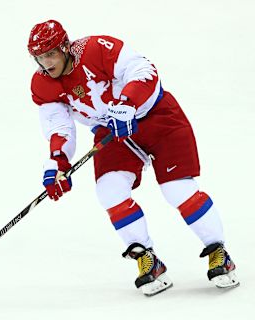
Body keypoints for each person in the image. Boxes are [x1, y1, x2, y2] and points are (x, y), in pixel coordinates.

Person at [28, 19, 239, 296]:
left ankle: (218, 251)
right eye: (39, 58)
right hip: (114, 134)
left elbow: (143, 70)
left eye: (50, 54)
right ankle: (146, 259)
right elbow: (59, 126)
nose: (46, 63)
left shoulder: (96, 48)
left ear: (65, 47)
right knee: (109, 191)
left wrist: (127, 103)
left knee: (177, 189)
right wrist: (58, 162)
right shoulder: (43, 85)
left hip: (157, 118)